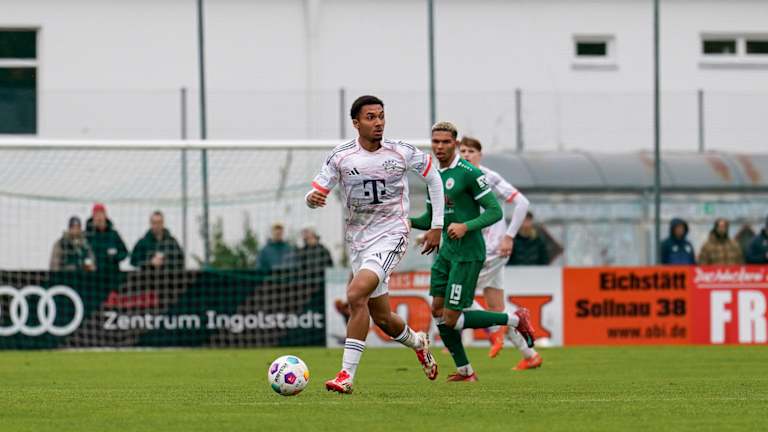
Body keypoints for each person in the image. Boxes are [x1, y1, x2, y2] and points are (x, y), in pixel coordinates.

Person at [306, 95, 445, 394]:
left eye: (381, 116)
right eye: (371, 117)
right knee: (382, 317)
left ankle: (345, 375)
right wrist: (312, 198)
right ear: (356, 123)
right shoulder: (341, 156)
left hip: (392, 234)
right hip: (358, 241)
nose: (378, 122)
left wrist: (437, 225)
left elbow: (434, 178)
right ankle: (418, 343)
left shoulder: (401, 152)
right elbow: (316, 191)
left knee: (355, 294)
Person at [410, 121, 535, 383]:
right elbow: (431, 217)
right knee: (437, 311)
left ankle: (514, 318)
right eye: (436, 142)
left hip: (468, 254)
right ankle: (466, 371)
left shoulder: (468, 173)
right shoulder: (433, 173)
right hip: (446, 253)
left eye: (446, 142)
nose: (440, 146)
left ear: (455, 144)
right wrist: (406, 221)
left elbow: (494, 211)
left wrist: (466, 226)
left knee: (453, 319)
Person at [459, 137, 542, 370]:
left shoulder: (488, 177)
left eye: (471, 151)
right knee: (497, 308)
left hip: (493, 250)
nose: (466, 154)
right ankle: (530, 355)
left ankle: (495, 332)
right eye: (462, 150)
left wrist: (509, 235)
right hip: (479, 249)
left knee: (457, 297)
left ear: (479, 155)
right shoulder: (457, 178)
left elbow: (522, 203)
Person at [85, 203, 129, 275]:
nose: (99, 217)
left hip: (111, 275)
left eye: (101, 214)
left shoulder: (114, 234)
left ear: (105, 215)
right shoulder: (87, 235)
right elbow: (81, 255)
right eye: (96, 214)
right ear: (93, 217)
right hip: (92, 276)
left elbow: (125, 253)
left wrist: (115, 257)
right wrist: (87, 263)